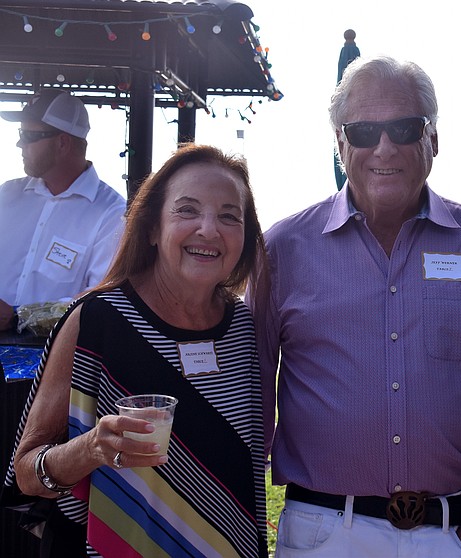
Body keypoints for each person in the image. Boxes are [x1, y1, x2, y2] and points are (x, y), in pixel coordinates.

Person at [247, 55, 461, 558]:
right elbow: (250, 397)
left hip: (459, 535)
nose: (384, 147)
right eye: (362, 131)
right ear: (339, 144)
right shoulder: (282, 249)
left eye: (404, 128)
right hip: (325, 536)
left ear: (434, 140)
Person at [3, 144, 268, 557]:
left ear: (245, 237)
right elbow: (26, 473)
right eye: (187, 210)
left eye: (229, 216)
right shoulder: (97, 321)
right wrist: (92, 447)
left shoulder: (243, 329)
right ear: (151, 228)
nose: (209, 229)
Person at [0, 88, 126, 332]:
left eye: (27, 135)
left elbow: (101, 301)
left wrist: (18, 316)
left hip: (54, 356)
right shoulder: (6, 195)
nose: (19, 143)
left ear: (62, 143)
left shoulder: (110, 214)